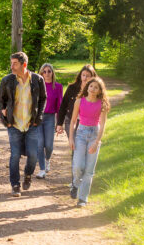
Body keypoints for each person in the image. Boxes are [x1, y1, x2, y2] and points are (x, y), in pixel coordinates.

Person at [0, 51, 46, 197]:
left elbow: (43, 99)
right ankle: (15, 185)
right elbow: (1, 101)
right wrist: (5, 120)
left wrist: (38, 118)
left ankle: (28, 175)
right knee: (15, 155)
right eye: (11, 63)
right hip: (14, 124)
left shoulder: (37, 79)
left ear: (24, 64)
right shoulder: (7, 80)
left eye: (15, 64)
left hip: (31, 124)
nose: (12, 66)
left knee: (33, 155)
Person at [67, 76, 110, 208]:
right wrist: (71, 138)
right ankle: (75, 183)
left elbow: (102, 125)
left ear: (99, 91)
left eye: (96, 87)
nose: (92, 89)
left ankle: (82, 198)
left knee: (89, 170)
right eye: (91, 86)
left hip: (94, 136)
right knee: (78, 166)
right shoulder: (79, 101)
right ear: (87, 87)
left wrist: (97, 142)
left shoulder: (102, 104)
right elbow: (73, 121)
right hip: (80, 134)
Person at [57, 64, 97, 145]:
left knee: (83, 147)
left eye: (87, 76)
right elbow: (63, 105)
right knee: (75, 146)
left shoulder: (95, 90)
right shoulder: (72, 88)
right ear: (80, 76)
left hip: (87, 123)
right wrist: (59, 124)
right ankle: (75, 158)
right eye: (83, 75)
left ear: (92, 77)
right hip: (71, 120)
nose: (85, 78)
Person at [35, 63, 63, 179]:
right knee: (40, 144)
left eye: (49, 71)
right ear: (41, 73)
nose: (46, 74)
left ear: (52, 73)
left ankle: (47, 160)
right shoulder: (36, 86)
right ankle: (42, 169)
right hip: (38, 117)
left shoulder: (58, 87)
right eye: (44, 71)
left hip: (50, 117)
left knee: (49, 145)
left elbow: (59, 105)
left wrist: (59, 123)